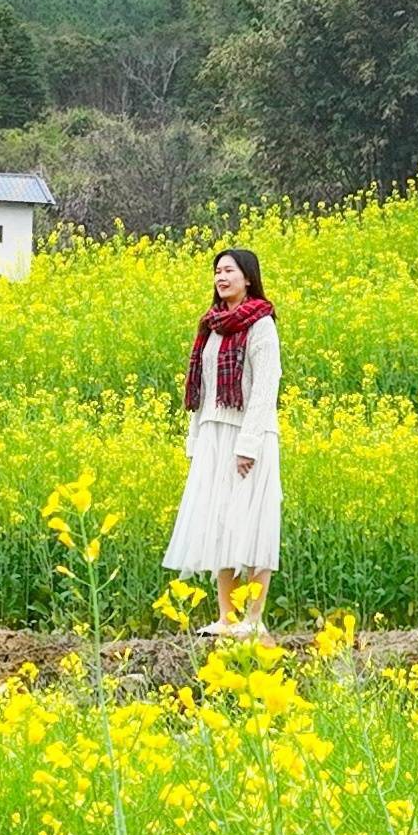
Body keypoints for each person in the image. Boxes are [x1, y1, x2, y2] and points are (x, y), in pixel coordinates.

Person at [165, 245, 280, 635]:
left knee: (253, 524)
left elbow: (265, 388)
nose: (221, 277)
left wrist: (248, 445)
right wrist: (195, 440)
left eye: (229, 270)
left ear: (248, 277)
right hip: (214, 434)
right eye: (217, 271)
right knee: (219, 524)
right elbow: (203, 389)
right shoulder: (211, 326)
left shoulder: (261, 324)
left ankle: (253, 619)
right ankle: (226, 618)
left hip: (249, 436)